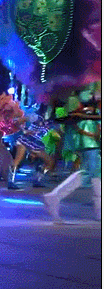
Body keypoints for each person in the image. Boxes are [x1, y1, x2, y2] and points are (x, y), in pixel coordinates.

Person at [43, 86, 101, 222]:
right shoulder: (83, 93)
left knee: (96, 174)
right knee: (90, 172)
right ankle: (54, 196)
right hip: (89, 138)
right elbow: (79, 110)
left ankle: (100, 210)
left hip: (91, 137)